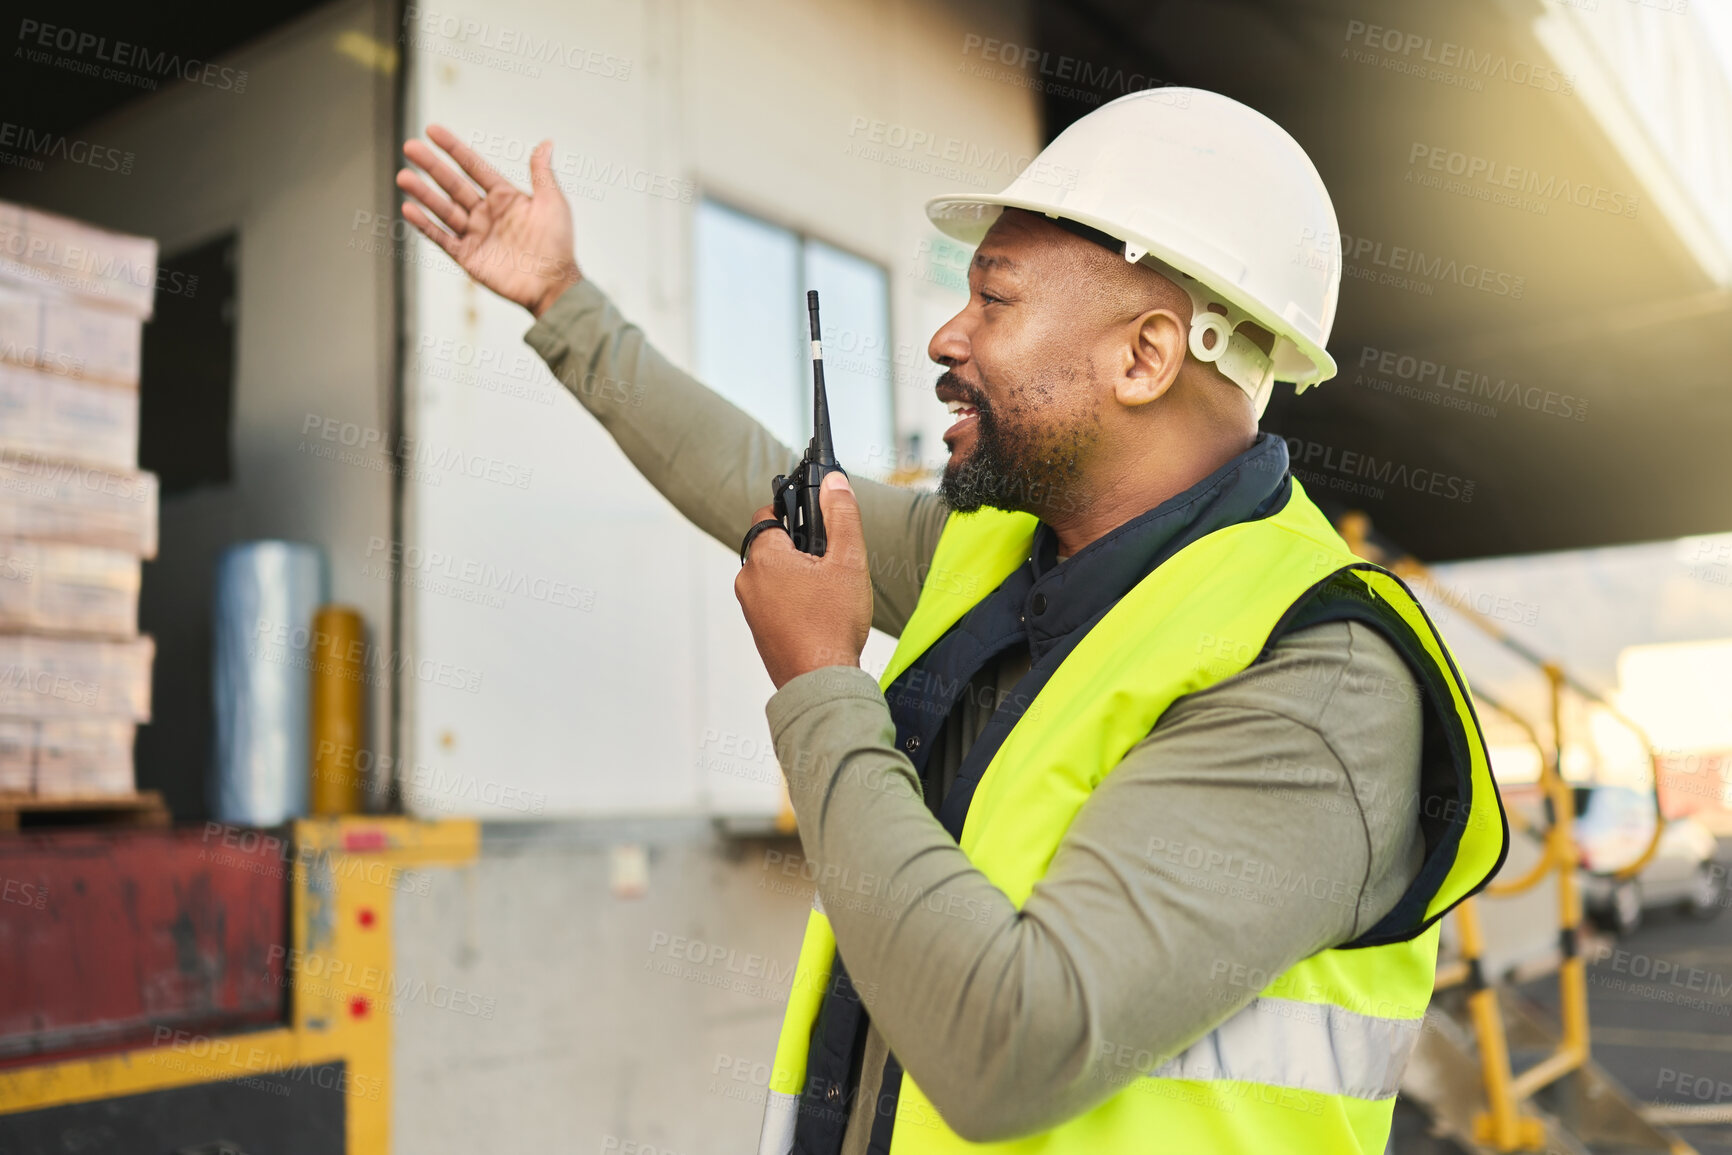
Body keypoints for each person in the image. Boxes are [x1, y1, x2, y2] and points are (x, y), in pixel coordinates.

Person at [398, 88, 1507, 1155]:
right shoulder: (998, 555)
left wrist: (820, 686)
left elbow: (1008, 1046)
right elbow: (763, 488)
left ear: (1146, 356)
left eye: (995, 299)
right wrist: (564, 303)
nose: (943, 337)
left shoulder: (1315, 679)